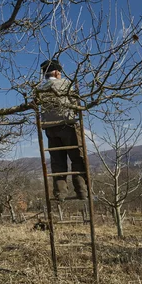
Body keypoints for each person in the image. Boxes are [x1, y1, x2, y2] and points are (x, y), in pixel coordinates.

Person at [38, 60, 88, 201]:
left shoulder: (40, 89)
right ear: (55, 72)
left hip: (50, 128)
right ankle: (82, 191)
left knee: (57, 161)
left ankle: (60, 193)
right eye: (59, 72)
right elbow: (75, 103)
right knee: (77, 158)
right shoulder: (65, 84)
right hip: (67, 124)